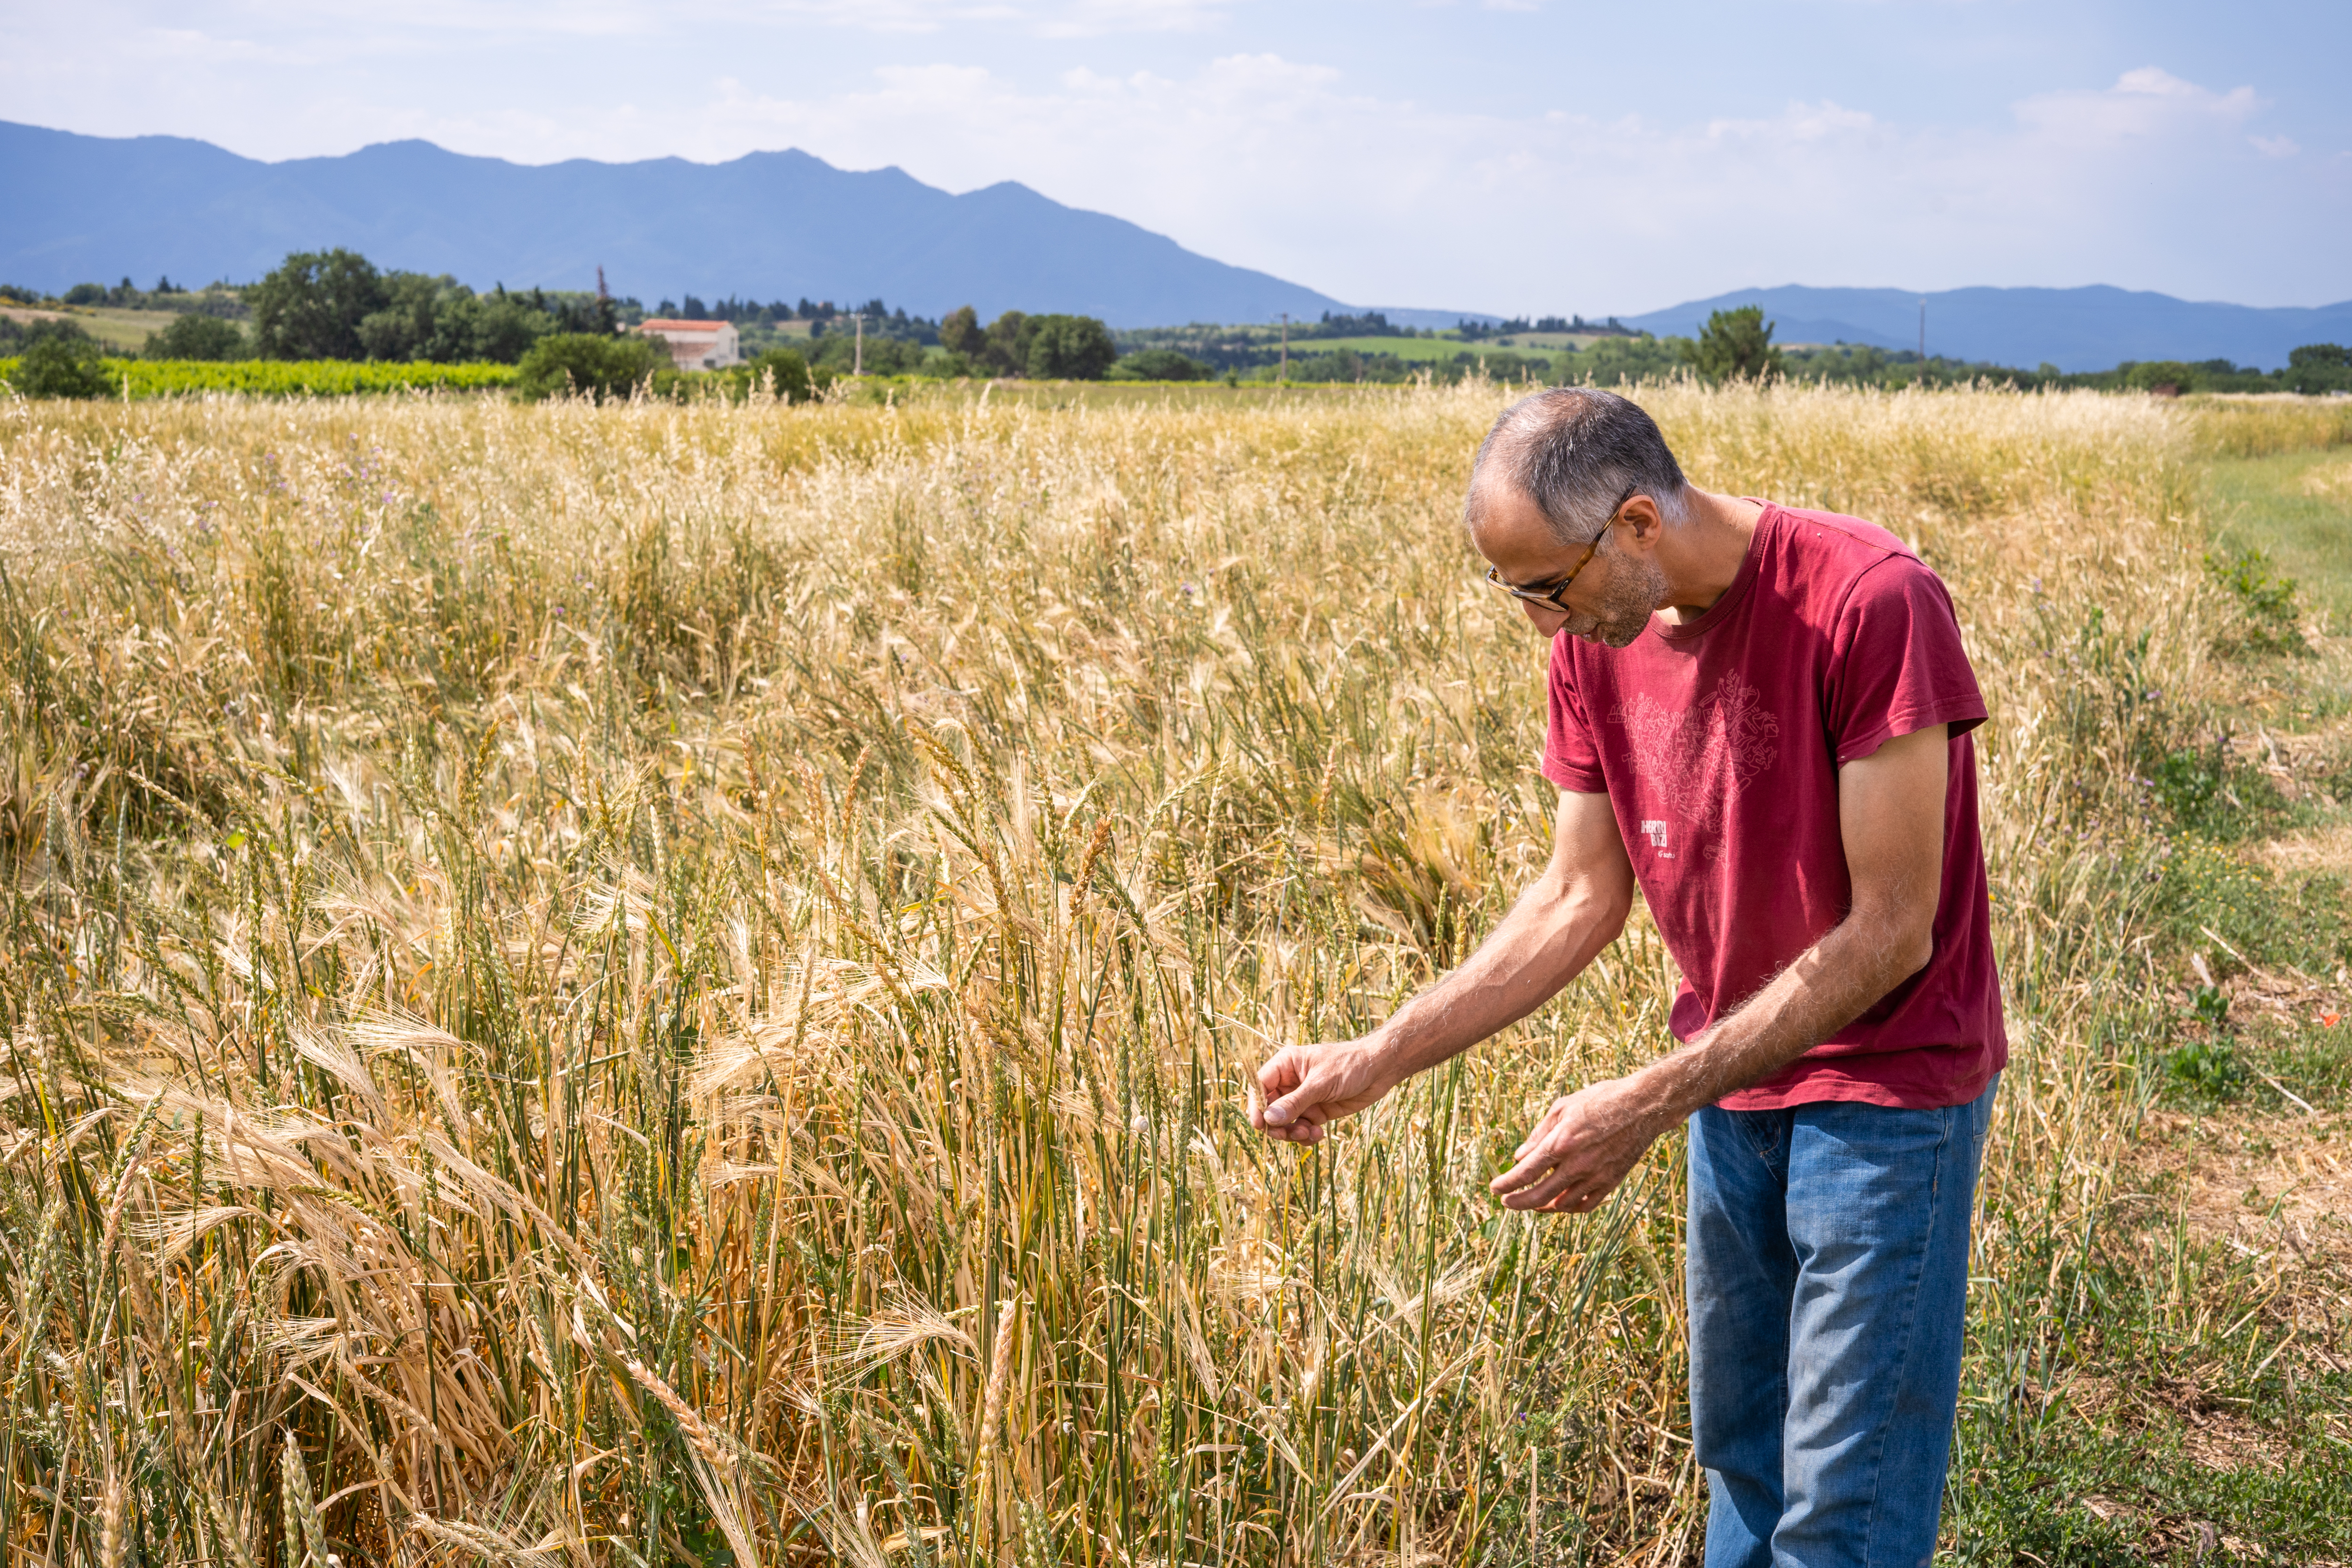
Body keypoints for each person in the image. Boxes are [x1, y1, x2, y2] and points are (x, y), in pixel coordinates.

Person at [1248, 388, 2004, 1568]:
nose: (1541, 624)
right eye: (1513, 593)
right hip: (1731, 1097)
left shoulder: (1870, 601)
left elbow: (1892, 930)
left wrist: (1647, 1099)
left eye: (1546, 587)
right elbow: (1574, 894)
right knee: (1744, 1466)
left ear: (1638, 522)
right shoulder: (1596, 644)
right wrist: (1378, 1056)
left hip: (1886, 1094)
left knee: (1840, 1514)